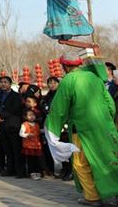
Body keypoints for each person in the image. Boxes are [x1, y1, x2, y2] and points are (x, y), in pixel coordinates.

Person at [45, 54, 118, 206]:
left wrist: (52, 129)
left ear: (64, 66)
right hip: (104, 127)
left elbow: (59, 110)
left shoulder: (68, 81)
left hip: (82, 130)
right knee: (110, 159)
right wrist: (106, 120)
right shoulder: (95, 77)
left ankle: (92, 197)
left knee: (81, 164)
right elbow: (110, 104)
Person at [0, 76, 24, 178]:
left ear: (10, 84)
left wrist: (1, 116)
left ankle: (19, 171)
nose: (3, 84)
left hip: (12, 125)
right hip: (2, 126)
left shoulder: (16, 96)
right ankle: (9, 169)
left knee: (16, 149)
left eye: (5, 82)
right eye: (1, 82)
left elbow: (14, 109)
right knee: (7, 150)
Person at [20, 109, 42, 180]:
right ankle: (31, 173)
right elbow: (21, 134)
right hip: (28, 145)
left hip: (36, 145)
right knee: (30, 160)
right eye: (29, 115)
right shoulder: (24, 124)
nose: (31, 117)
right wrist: (27, 134)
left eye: (33, 115)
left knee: (37, 159)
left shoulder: (37, 124)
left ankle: (37, 172)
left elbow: (40, 132)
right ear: (26, 117)